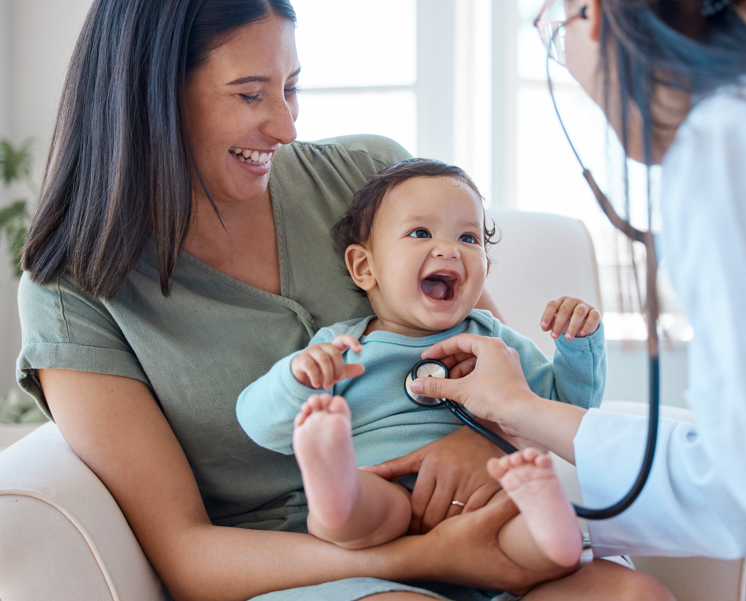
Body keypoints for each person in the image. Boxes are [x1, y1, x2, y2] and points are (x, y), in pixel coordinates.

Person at [14, 1, 674, 600]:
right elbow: (188, 553)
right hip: (311, 571)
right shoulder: (73, 292)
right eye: (250, 94)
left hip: (478, 522)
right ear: (151, 97)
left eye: (291, 87)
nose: (284, 125)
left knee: (632, 596)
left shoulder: (368, 178)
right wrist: (420, 557)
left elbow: (493, 368)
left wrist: (483, 448)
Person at [388, 1, 746, 600]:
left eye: (557, 31)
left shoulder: (745, 149)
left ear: (596, 16)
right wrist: (520, 412)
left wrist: (522, 415)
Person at [237, 158, 605, 571]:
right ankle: (334, 482)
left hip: (487, 496)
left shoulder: (494, 341)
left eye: (469, 237)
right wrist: (296, 379)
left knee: (529, 541)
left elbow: (564, 409)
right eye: (420, 232)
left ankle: (550, 524)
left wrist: (577, 345)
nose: (450, 248)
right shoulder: (342, 348)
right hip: (384, 489)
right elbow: (259, 424)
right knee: (354, 514)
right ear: (365, 267)